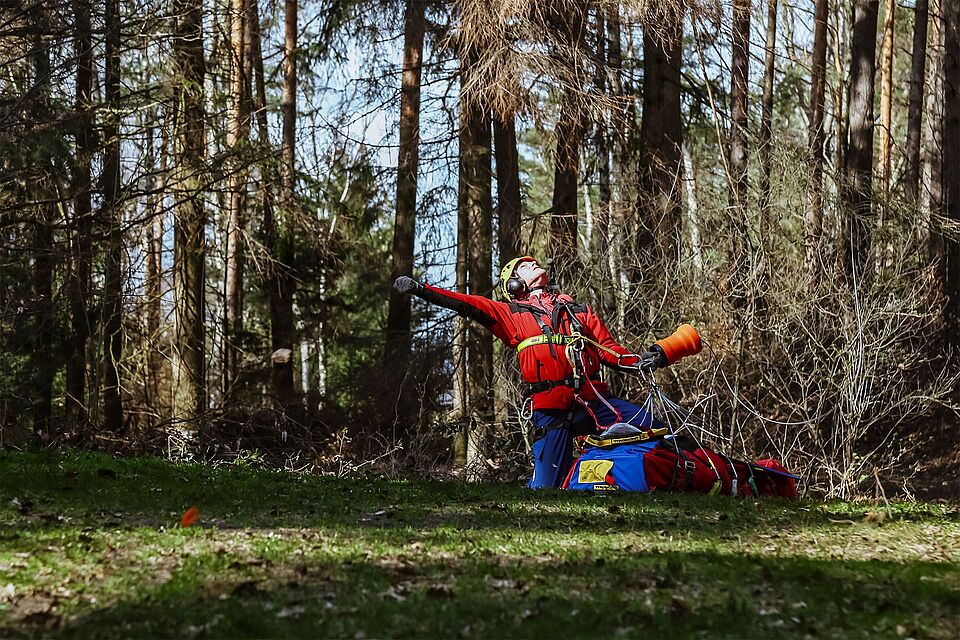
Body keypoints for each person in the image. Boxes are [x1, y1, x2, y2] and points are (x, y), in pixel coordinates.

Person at [394, 256, 677, 489]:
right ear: (513, 283)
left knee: (653, 427)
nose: (533, 263)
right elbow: (465, 302)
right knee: (546, 489)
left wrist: (643, 361)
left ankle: (673, 478)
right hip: (551, 410)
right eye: (524, 265)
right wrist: (420, 289)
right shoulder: (509, 314)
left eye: (534, 261)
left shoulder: (578, 311)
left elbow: (609, 351)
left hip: (594, 402)